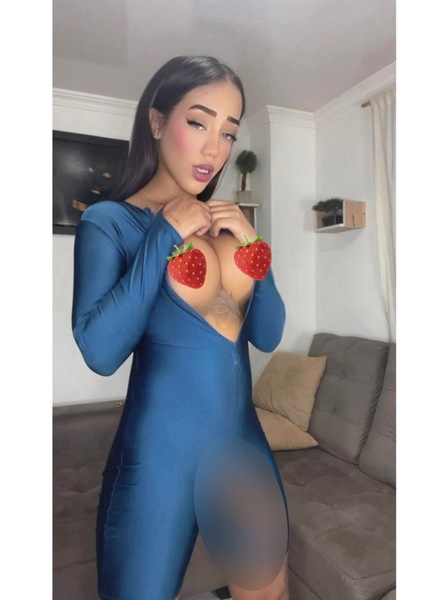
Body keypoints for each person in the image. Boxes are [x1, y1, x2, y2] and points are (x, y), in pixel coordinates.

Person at [72, 55, 289, 600]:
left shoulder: (228, 227)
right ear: (156, 121)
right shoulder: (110, 221)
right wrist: (162, 236)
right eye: (198, 122)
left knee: (268, 592)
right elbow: (100, 350)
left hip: (243, 446)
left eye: (228, 132)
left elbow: (267, 335)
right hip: (159, 459)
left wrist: (254, 249)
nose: (214, 149)